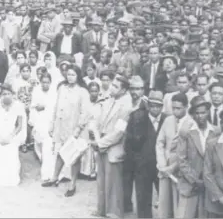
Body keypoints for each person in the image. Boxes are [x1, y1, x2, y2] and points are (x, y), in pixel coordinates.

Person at [43, 65, 90, 197]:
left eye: (73, 75)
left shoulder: (82, 92)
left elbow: (84, 113)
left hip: (75, 128)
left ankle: (72, 184)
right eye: (68, 74)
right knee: (60, 152)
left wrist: (78, 129)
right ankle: (54, 177)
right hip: (61, 126)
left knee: (74, 156)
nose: (70, 77)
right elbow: (56, 107)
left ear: (78, 76)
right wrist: (52, 124)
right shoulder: (62, 88)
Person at [90, 76, 133, 218]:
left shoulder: (126, 107)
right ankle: (101, 209)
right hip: (101, 144)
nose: (111, 87)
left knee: (113, 183)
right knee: (101, 180)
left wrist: (101, 143)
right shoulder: (108, 101)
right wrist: (97, 140)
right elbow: (97, 122)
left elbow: (118, 133)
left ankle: (113, 212)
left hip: (114, 147)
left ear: (123, 90)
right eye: (112, 85)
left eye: (116, 86)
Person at [125, 90, 166, 218]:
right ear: (148, 105)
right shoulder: (137, 117)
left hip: (161, 166)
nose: (155, 108)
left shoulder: (167, 119)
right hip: (142, 165)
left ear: (162, 106)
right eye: (152, 105)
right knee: (143, 198)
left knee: (165, 197)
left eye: (158, 105)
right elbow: (129, 141)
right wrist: (136, 161)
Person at [177, 95, 219, 218]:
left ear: (208, 112)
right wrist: (195, 180)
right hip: (190, 184)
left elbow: (218, 159)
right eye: (197, 113)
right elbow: (181, 160)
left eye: (203, 112)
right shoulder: (186, 131)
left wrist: (208, 180)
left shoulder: (216, 131)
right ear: (193, 115)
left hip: (209, 185)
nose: (201, 116)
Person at [156, 93, 194, 218]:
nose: (175, 111)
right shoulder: (168, 120)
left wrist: (173, 167)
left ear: (186, 107)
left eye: (178, 108)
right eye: (173, 108)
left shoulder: (192, 123)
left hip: (180, 170)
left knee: (179, 204)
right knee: (164, 203)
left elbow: (190, 152)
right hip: (165, 169)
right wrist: (162, 165)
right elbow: (160, 143)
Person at [0, 83, 24, 187]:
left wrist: (10, 137)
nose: (6, 96)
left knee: (11, 149)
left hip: (12, 133)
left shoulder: (18, 106)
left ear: (13, 94)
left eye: (9, 93)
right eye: (4, 94)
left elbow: (19, 126)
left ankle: (11, 179)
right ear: (0, 95)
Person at [29, 72, 58, 183]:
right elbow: (33, 106)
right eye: (43, 82)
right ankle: (45, 163)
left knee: (48, 146)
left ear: (50, 83)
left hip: (49, 122)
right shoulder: (36, 91)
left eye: (47, 82)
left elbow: (54, 107)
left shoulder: (54, 92)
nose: (45, 84)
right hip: (39, 120)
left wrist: (45, 107)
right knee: (39, 144)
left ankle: (48, 173)